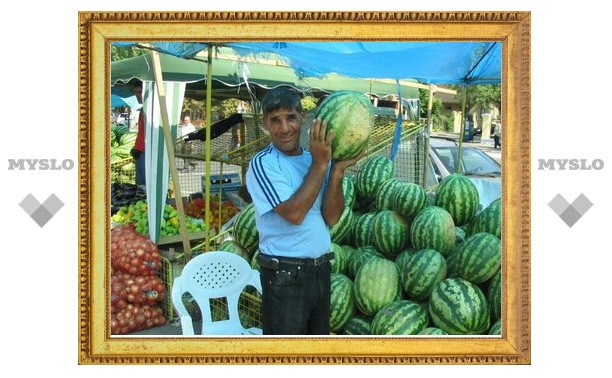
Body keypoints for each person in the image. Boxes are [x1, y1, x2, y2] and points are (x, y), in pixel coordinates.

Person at [245, 87, 363, 335]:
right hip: (285, 277)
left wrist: (337, 170)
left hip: (320, 272)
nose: (284, 128)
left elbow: (331, 216)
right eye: (275, 120)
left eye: (290, 117)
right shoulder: (263, 163)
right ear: (265, 123)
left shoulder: (315, 159)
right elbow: (294, 214)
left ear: (303, 117)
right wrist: (322, 164)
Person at [128, 79, 146, 187]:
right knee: (140, 187)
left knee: (146, 186)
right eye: (136, 92)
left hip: (146, 153)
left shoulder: (152, 110)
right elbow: (141, 132)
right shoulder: (143, 110)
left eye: (139, 92)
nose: (137, 95)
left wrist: (139, 148)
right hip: (140, 151)